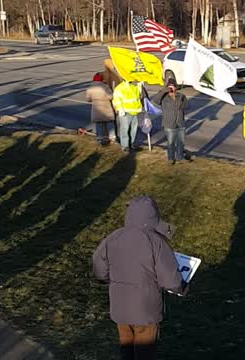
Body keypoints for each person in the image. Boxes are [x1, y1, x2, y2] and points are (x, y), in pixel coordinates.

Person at [92, 195, 187, 360]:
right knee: (145, 352)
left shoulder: (114, 237)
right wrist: (181, 288)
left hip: (120, 306)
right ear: (154, 215)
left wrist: (111, 280)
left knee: (126, 347)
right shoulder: (156, 241)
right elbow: (170, 279)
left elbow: (99, 266)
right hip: (146, 310)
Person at [153, 79, 190, 164]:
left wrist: (182, 103)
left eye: (172, 86)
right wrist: (164, 91)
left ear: (176, 87)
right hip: (169, 123)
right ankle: (171, 158)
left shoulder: (180, 96)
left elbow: (187, 106)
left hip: (180, 123)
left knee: (181, 142)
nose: (171, 88)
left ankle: (180, 157)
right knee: (171, 143)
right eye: (169, 86)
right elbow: (155, 100)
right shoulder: (163, 97)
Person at [86, 72, 116, 146]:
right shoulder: (105, 86)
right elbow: (110, 97)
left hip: (96, 109)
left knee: (99, 124)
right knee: (109, 123)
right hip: (106, 107)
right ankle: (112, 138)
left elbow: (88, 99)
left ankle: (100, 139)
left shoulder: (90, 88)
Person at [113, 80, 143, 152]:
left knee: (133, 129)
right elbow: (116, 99)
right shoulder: (120, 88)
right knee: (125, 129)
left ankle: (131, 144)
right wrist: (120, 109)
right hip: (125, 111)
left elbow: (138, 95)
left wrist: (140, 85)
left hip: (134, 111)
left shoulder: (133, 86)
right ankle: (125, 146)